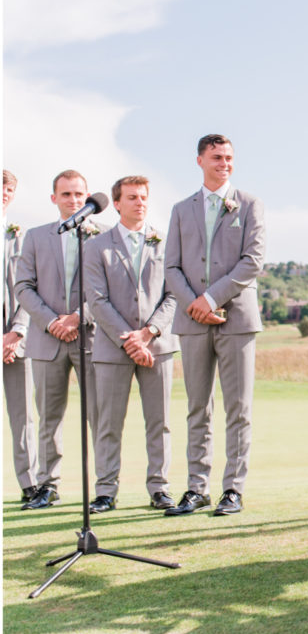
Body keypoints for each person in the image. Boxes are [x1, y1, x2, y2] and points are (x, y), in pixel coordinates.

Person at [164, 134, 265, 517]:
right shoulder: (179, 210)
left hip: (236, 318)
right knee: (196, 407)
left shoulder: (250, 204)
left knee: (238, 408)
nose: (224, 163)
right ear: (200, 160)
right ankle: (196, 488)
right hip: (192, 322)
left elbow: (252, 260)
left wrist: (211, 299)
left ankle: (233, 490)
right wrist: (194, 304)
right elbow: (170, 265)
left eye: (229, 157)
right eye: (217, 157)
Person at [84, 176, 179, 513]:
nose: (139, 202)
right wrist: (130, 340)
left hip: (158, 346)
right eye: (132, 197)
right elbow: (96, 300)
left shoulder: (166, 243)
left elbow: (173, 295)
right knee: (108, 422)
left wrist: (149, 333)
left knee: (160, 421)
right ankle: (106, 491)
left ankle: (160, 488)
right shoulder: (96, 246)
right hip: (112, 348)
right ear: (118, 203)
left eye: (143, 197)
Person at [15, 170, 107, 510]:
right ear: (54, 198)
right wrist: (52, 321)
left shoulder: (104, 236)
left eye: (79, 194)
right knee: (48, 417)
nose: (73, 200)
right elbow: (23, 286)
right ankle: (47, 485)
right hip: (46, 339)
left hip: (92, 338)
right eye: (66, 194)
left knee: (99, 416)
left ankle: (103, 489)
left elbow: (106, 289)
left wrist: (80, 315)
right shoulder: (36, 237)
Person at [3, 169, 38, 503]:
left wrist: (16, 330)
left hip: (15, 340)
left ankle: (30, 485)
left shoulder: (21, 236)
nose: (3, 192)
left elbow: (28, 287)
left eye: (8, 188)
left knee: (23, 415)